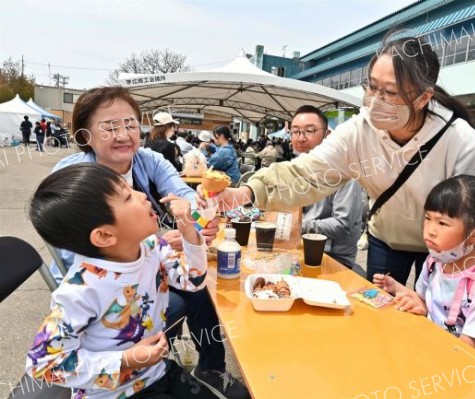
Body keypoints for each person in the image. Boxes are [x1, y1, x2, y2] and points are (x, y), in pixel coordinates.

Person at [214, 33, 475, 285]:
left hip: (448, 245)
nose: (375, 101)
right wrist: (248, 192)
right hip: (387, 240)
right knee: (381, 313)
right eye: (371, 87)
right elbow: (307, 174)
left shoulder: (458, 139)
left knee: (440, 316)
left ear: (423, 98)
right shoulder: (359, 131)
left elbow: (473, 213)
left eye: (390, 92)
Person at [50, 86, 249, 398]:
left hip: (145, 272)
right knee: (179, 300)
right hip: (108, 292)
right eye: (110, 126)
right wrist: (146, 245)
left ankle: (210, 366)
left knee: (201, 293)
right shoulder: (74, 179)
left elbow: (184, 200)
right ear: (85, 136)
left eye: (130, 124)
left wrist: (194, 225)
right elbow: (72, 249)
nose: (123, 134)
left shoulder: (148, 160)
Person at [26, 163, 218, 399]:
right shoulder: (81, 290)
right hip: (115, 393)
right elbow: (45, 365)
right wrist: (127, 359)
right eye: (128, 196)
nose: (142, 195)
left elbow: (193, 280)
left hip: (156, 371)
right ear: (105, 235)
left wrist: (189, 229)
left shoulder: (150, 247)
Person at [373, 175, 475, 363]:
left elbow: (466, 354)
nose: (430, 230)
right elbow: (424, 301)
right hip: (429, 353)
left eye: (442, 223)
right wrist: (398, 289)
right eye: (427, 218)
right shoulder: (434, 263)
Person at [290, 105, 363, 270]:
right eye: (295, 131)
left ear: (327, 134)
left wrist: (296, 225)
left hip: (330, 257)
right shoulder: (296, 167)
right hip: (297, 248)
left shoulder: (345, 171)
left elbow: (342, 224)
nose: (300, 138)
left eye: (309, 131)